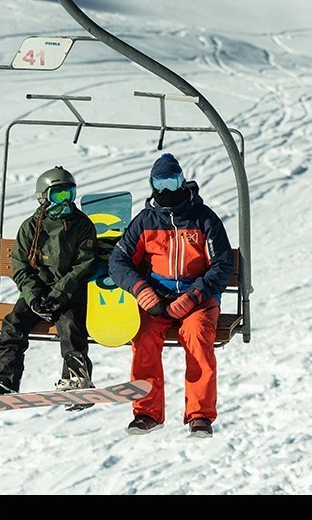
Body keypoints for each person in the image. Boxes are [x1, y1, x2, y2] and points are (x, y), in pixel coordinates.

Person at [109, 153, 234, 438]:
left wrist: (193, 296)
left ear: (182, 181)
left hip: (197, 300)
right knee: (142, 339)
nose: (166, 189)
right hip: (157, 299)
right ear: (152, 185)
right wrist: (142, 292)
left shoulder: (203, 219)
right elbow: (118, 261)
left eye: (172, 181)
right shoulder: (145, 222)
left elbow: (222, 265)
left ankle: (200, 415)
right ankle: (147, 413)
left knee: (198, 336)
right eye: (160, 183)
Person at [0, 166, 99, 410]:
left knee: (70, 324)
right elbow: (20, 267)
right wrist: (34, 298)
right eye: (58, 195)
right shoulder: (31, 227)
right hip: (38, 294)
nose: (66, 202)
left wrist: (58, 296)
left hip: (70, 294)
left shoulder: (82, 225)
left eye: (69, 194)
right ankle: (2, 381)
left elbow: (83, 265)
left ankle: (76, 378)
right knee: (14, 323)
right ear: (43, 197)